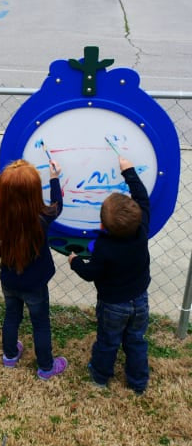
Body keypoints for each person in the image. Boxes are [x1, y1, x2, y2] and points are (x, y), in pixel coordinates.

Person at [69, 156, 150, 394]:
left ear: (102, 226)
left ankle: (100, 376)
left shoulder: (104, 248)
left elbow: (90, 273)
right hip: (140, 300)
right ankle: (138, 383)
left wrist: (75, 262)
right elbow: (142, 198)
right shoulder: (142, 230)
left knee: (108, 341)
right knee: (136, 341)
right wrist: (130, 172)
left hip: (113, 304)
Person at [0, 158, 67, 380]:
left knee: (12, 316)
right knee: (40, 323)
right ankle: (46, 367)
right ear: (34, 194)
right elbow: (57, 205)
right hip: (35, 285)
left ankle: (10, 356)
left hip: (9, 282)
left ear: (2, 194)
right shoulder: (42, 218)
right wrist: (54, 178)